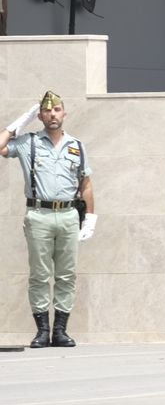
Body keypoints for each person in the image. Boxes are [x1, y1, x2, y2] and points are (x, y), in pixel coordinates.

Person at [2, 91, 96, 349]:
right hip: (39, 215)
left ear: (64, 113)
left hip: (67, 215)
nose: (52, 115)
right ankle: (42, 331)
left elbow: (85, 184)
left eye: (57, 110)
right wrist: (15, 125)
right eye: (47, 111)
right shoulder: (28, 143)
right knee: (40, 275)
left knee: (67, 275)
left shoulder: (76, 145)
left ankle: (61, 331)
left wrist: (90, 218)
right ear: (40, 115)